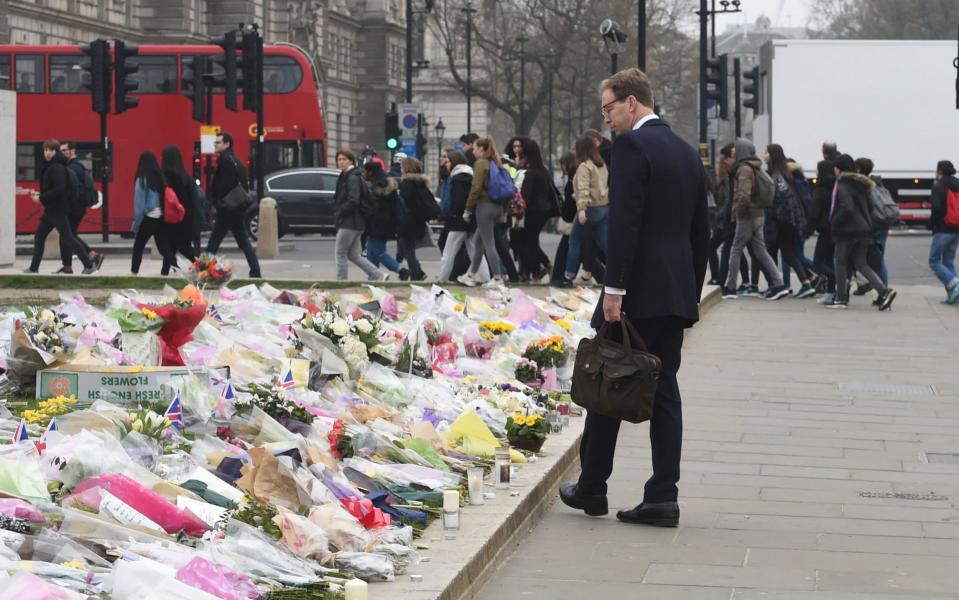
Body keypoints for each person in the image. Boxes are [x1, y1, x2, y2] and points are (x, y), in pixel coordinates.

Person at [559, 67, 709, 527]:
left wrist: (614, 289)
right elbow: (701, 229)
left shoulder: (631, 146)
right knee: (664, 390)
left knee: (606, 381)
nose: (606, 119)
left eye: (608, 108)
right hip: (675, 291)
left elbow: (625, 223)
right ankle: (663, 494)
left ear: (631, 102)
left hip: (637, 291)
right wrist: (691, 290)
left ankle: (592, 486)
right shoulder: (686, 151)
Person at [721, 138, 789, 300]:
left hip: (748, 215)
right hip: (759, 214)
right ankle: (778, 283)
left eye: (735, 149)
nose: (733, 151)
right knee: (760, 250)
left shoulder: (744, 169)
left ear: (741, 150)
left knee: (736, 249)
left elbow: (744, 195)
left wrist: (737, 211)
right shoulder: (754, 165)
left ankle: (730, 287)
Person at [828, 154, 896, 310]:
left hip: (848, 230)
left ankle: (841, 298)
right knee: (861, 263)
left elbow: (847, 207)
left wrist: (835, 222)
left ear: (838, 168)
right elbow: (869, 208)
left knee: (840, 262)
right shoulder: (862, 184)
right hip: (864, 229)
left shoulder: (843, 184)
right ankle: (884, 291)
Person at [24, 140, 97, 274]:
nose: (47, 153)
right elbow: (55, 189)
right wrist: (42, 195)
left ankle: (89, 265)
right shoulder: (53, 166)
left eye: (50, 150)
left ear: (55, 152)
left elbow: (59, 189)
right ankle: (33, 268)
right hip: (51, 211)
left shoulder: (56, 167)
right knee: (40, 237)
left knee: (68, 238)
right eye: (45, 150)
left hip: (57, 211)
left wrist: (41, 198)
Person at [206, 132, 261, 278]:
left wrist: (217, 201)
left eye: (218, 142)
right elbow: (243, 184)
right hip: (236, 207)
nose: (215, 145)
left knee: (214, 241)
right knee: (243, 241)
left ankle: (203, 269)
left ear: (227, 144)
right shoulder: (236, 160)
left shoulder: (225, 161)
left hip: (227, 208)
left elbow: (222, 185)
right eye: (215, 142)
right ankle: (255, 270)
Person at [764, 144, 816, 298]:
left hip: (780, 221)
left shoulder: (775, 175)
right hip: (789, 220)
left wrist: (776, 219)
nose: (764, 154)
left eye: (766, 152)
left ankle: (776, 285)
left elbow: (779, 199)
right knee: (788, 253)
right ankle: (806, 283)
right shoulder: (785, 173)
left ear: (772, 155)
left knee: (774, 252)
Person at [458, 136, 506, 289]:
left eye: (475, 148)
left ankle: (497, 277)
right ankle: (471, 275)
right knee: (478, 241)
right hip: (497, 206)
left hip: (484, 206)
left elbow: (476, 188)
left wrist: (468, 209)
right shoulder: (495, 163)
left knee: (488, 243)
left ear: (481, 149)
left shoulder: (480, 163)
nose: (472, 150)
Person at [561, 135, 609, 286]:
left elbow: (583, 188)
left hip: (589, 208)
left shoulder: (583, 167)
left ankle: (569, 274)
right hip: (603, 207)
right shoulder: (601, 165)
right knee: (604, 242)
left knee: (574, 240)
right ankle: (623, 267)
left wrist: (581, 209)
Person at [333, 149, 386, 281]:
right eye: (339, 160)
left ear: (351, 161)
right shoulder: (351, 176)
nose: (341, 162)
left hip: (350, 221)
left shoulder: (351, 178)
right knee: (354, 255)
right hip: (357, 222)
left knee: (340, 253)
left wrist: (340, 211)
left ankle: (341, 281)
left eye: (344, 159)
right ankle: (378, 274)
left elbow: (353, 200)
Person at [57, 141, 104, 274]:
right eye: (60, 151)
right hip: (78, 207)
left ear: (72, 151)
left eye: (64, 150)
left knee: (68, 235)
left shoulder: (73, 168)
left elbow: (70, 190)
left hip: (73, 208)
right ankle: (68, 265)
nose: (62, 153)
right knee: (68, 235)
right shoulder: (77, 166)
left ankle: (91, 256)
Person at [512, 139, 556, 281]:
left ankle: (546, 266)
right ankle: (537, 271)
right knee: (531, 242)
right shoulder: (544, 171)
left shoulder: (530, 174)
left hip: (532, 212)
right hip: (544, 211)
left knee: (523, 243)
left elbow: (525, 196)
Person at [130, 151, 179, 275]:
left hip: (148, 217)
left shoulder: (142, 179)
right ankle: (179, 268)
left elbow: (139, 205)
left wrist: (136, 225)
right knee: (163, 248)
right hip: (161, 217)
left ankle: (134, 272)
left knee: (138, 247)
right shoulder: (160, 177)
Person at [362, 161, 408, 280]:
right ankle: (373, 277)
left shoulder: (376, 188)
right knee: (372, 252)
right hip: (382, 223)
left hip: (379, 224)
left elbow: (377, 208)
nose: (363, 173)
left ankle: (400, 270)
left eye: (364, 171)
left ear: (370, 172)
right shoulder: (385, 185)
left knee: (378, 252)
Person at [853, 157, 889, 295]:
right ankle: (877, 287)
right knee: (877, 259)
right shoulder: (878, 183)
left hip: (872, 226)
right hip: (883, 225)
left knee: (866, 259)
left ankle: (884, 291)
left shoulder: (864, 185)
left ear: (858, 169)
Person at [437, 151, 475, 282]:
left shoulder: (457, 179)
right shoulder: (469, 176)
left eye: (448, 162)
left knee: (448, 252)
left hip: (458, 220)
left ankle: (442, 278)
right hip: (469, 219)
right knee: (474, 252)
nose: (446, 164)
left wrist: (453, 214)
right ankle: (485, 277)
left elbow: (458, 201)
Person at [397, 157, 434, 281]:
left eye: (402, 166)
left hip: (408, 221)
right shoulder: (420, 183)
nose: (400, 168)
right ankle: (417, 271)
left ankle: (415, 274)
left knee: (407, 247)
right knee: (406, 246)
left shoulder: (407, 184)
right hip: (417, 220)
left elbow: (404, 203)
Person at [161, 145, 198, 273]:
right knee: (174, 246)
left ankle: (202, 268)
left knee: (181, 248)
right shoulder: (186, 176)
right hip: (185, 217)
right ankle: (165, 271)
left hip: (171, 218)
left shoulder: (166, 176)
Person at [928, 160, 959, 304]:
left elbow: (937, 209)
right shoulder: (957, 183)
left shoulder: (939, 185)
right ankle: (953, 296)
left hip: (943, 228)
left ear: (939, 170)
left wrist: (931, 224)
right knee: (948, 261)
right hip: (956, 228)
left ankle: (955, 284)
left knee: (934, 261)